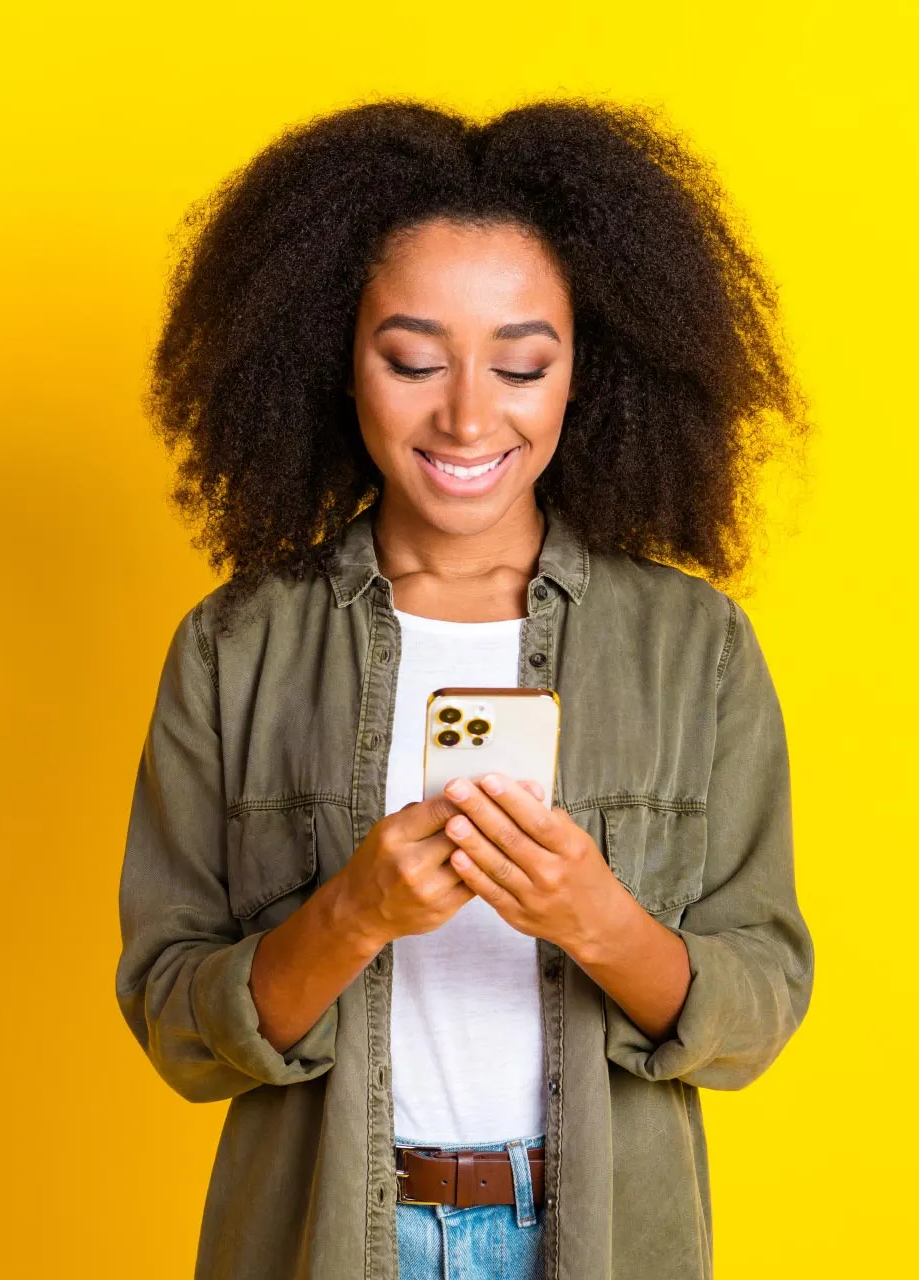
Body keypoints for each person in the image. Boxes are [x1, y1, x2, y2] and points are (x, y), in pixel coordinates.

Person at [115, 96, 814, 1280]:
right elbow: (179, 1024)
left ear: (589, 372)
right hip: (325, 1237)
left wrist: (599, 918)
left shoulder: (696, 648)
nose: (469, 413)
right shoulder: (236, 647)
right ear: (335, 359)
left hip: (593, 1236)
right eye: (415, 359)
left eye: (523, 362)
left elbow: (758, 1008)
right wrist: (351, 915)